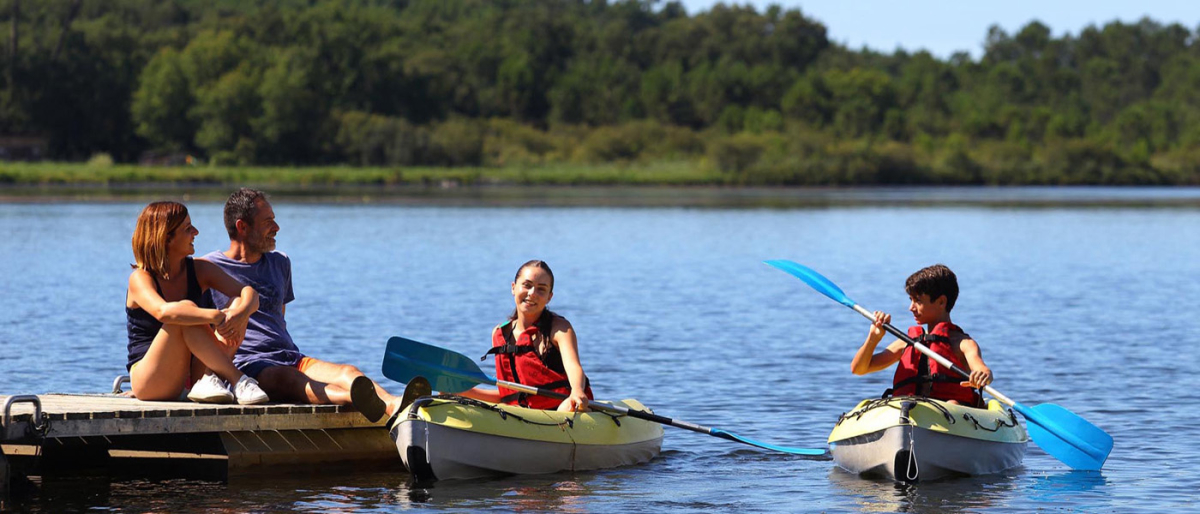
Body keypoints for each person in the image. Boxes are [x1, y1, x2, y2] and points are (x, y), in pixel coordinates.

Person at [200, 188, 397, 422]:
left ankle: (394, 405)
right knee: (291, 380)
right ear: (242, 227)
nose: (277, 227)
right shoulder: (208, 268)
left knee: (348, 372)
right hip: (248, 364)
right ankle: (357, 399)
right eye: (268, 222)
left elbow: (279, 319)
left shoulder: (280, 262)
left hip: (290, 356)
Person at [125, 201, 269, 405]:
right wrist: (216, 316)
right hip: (151, 379)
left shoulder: (200, 269)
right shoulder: (140, 278)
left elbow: (249, 293)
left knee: (237, 301)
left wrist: (241, 313)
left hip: (196, 375)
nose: (196, 232)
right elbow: (163, 312)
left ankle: (209, 377)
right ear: (166, 238)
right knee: (184, 311)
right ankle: (238, 380)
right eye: (188, 229)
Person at [460, 260, 593, 412]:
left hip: (566, 407)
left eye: (541, 289)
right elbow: (509, 395)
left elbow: (573, 366)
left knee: (567, 407)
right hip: (520, 413)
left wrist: (577, 390)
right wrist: (463, 392)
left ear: (549, 297)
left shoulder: (560, 329)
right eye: (527, 285)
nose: (532, 293)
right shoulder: (499, 333)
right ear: (513, 288)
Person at [850, 264, 992, 406]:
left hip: (952, 410)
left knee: (953, 403)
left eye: (918, 301)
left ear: (941, 302)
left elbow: (982, 370)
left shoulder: (963, 343)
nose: (911, 308)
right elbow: (859, 369)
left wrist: (982, 375)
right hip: (911, 410)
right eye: (911, 300)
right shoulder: (907, 342)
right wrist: (873, 338)